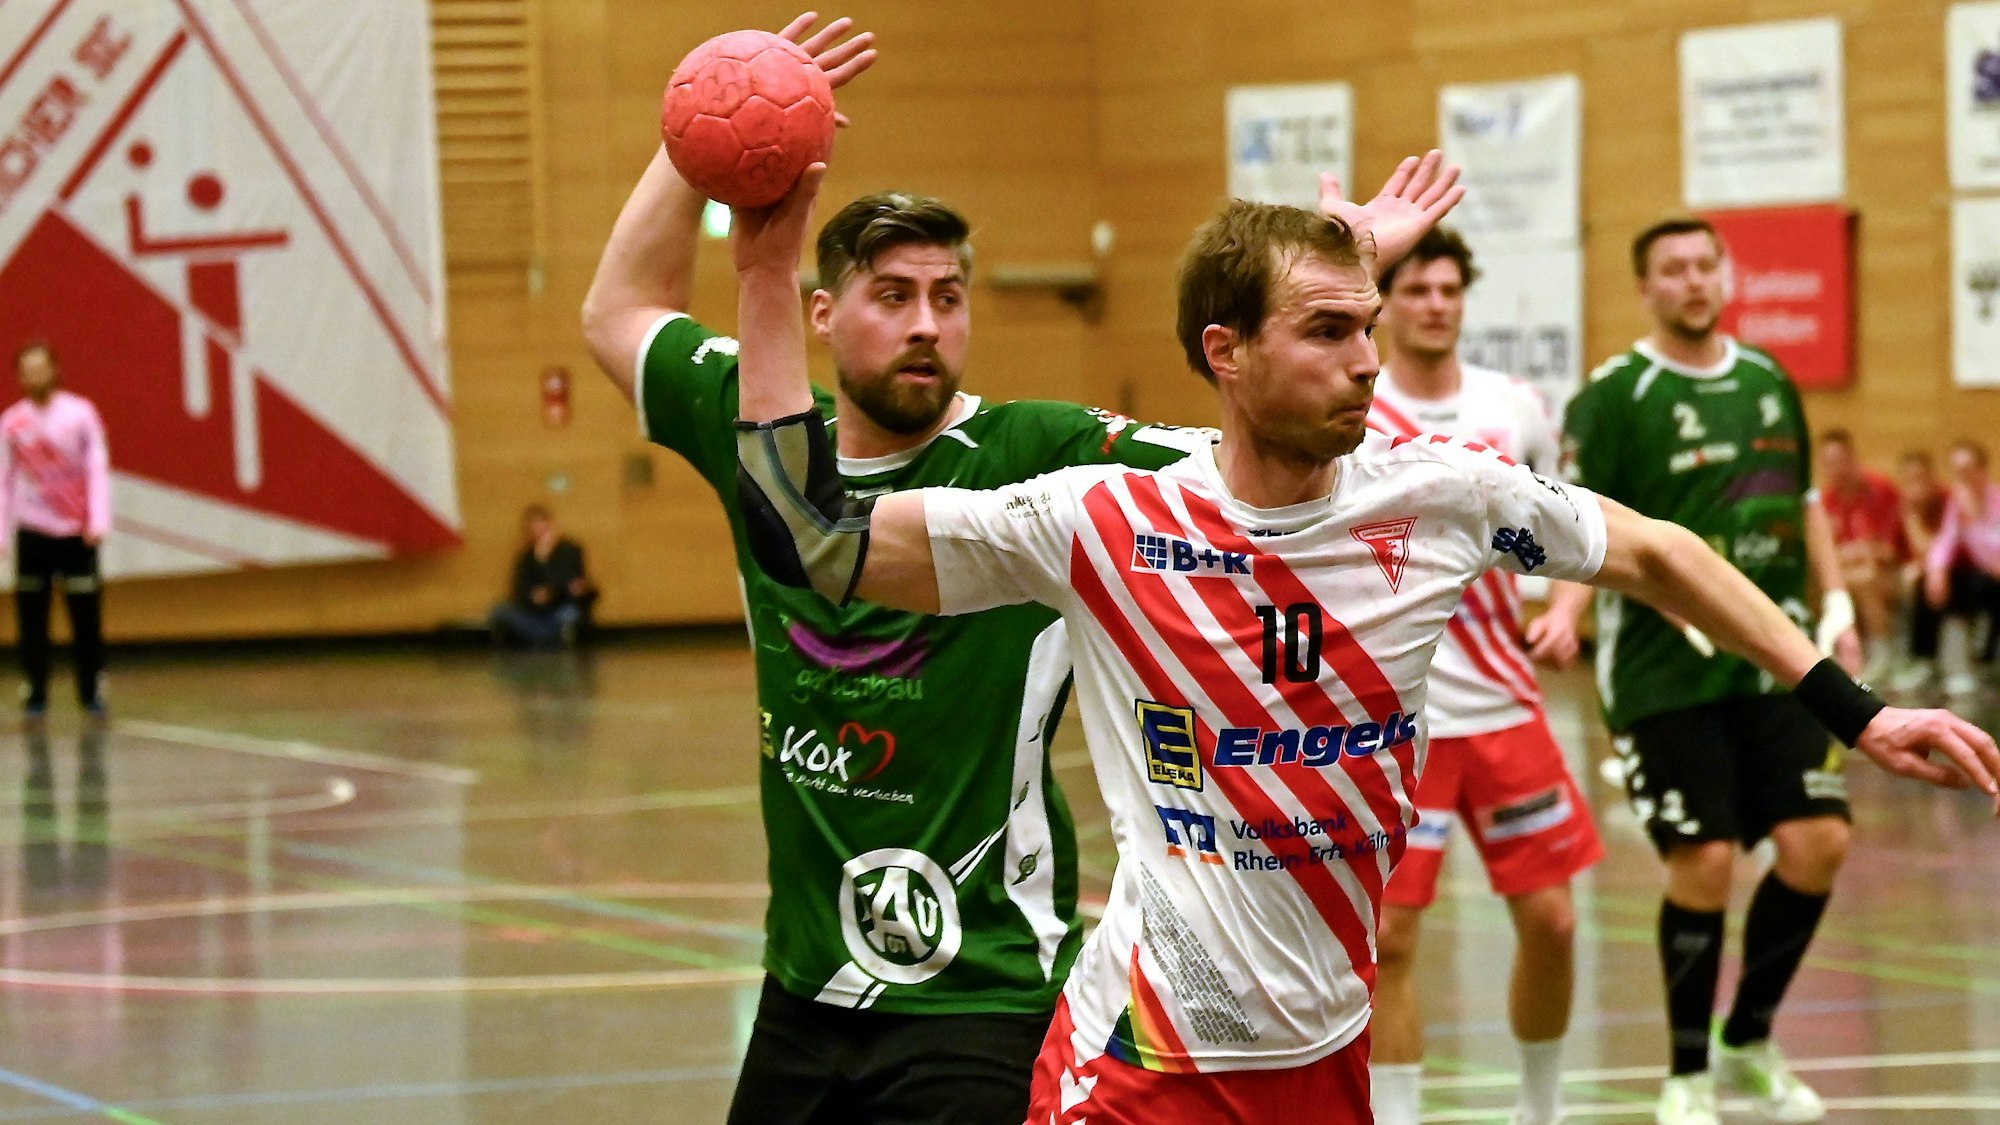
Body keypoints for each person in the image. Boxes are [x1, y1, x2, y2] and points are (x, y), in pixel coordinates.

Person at [729, 155, 2000, 1123]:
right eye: (1328, 333)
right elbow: (809, 534)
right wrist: (761, 271)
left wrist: (1856, 708)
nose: (1363, 365)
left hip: (1322, 1047)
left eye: (1367, 330)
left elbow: (1662, 553)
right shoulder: (1099, 517)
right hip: (1144, 1050)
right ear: (1223, 354)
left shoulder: (1439, 495)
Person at [582, 17, 1220, 1122]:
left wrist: (1321, 289)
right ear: (821, 316)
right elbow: (618, 312)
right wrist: (698, 142)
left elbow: (1232, 457)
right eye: (893, 297)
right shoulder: (761, 430)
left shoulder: (1039, 451)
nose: (927, 325)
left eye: (948, 297)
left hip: (977, 998)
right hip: (802, 986)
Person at [1536, 217, 1865, 1125]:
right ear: (1646, 286)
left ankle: (1747, 1039)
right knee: (1707, 856)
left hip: (1776, 660)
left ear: (1726, 276)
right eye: (1672, 269)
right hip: (1661, 671)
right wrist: (1566, 613)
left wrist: (1836, 609)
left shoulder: (1766, 380)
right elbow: (1574, 528)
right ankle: (1684, 1073)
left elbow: (1804, 508)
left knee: (1818, 842)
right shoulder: (1612, 398)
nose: (1692, 281)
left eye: (1704, 265)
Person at [1364, 227, 1602, 1125]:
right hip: (1399, 722)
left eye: (1448, 289)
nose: (1434, 303)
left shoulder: (1516, 409)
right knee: (1390, 937)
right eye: (1416, 288)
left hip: (1504, 706)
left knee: (1555, 921)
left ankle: (1538, 1111)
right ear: (1388, 303)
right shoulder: (1360, 409)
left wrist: (1570, 612)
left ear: (1465, 299)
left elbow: (1577, 531)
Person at [0, 343, 111, 717]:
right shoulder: (13, 422)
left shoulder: (79, 413)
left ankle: (91, 688)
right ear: (20, 377)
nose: (35, 377)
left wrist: (97, 518)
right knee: (32, 617)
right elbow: (5, 479)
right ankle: (35, 691)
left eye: (41, 369)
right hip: (33, 532)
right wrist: (2, 531)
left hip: (76, 532)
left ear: (54, 370)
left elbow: (97, 465)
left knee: (85, 616)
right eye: (27, 371)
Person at [1911, 440, 2000, 696]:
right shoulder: (1960, 502)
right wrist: (1936, 571)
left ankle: (1981, 661)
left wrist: (1974, 522)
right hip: (1986, 575)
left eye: (1968, 469)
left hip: (1994, 577)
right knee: (1930, 584)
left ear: (1982, 469)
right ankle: (1928, 662)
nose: (1964, 477)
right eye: (1958, 471)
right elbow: (1945, 541)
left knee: (1980, 588)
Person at [1817, 429, 1906, 681]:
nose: (1835, 469)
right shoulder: (1826, 500)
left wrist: (1853, 553)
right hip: (1851, 572)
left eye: (1839, 461)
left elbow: (1886, 551)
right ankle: (1828, 652)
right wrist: (1854, 553)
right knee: (1825, 582)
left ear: (1852, 458)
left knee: (1864, 578)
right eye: (1828, 463)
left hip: (1894, 573)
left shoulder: (1879, 490)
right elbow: (1825, 553)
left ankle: (1882, 653)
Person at [489, 504, 594, 648]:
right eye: (533, 529)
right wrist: (532, 596)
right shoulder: (526, 557)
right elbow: (519, 587)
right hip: (534, 612)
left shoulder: (570, 550)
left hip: (560, 606)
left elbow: (569, 582)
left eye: (542, 528)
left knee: (569, 614)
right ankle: (544, 637)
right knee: (500, 610)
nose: (538, 533)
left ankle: (546, 637)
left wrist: (544, 565)